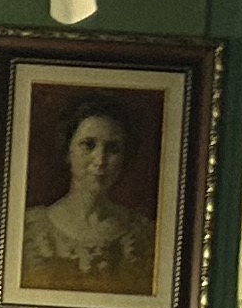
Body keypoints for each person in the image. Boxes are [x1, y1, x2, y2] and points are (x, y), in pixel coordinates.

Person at [20, 97, 156, 295]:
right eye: (88, 145)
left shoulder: (145, 237)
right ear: (68, 151)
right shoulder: (29, 230)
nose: (100, 160)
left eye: (113, 149)